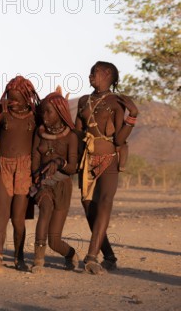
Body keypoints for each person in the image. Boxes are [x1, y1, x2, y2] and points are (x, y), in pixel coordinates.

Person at [75, 61, 138, 274]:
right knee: (88, 208)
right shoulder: (84, 100)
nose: (90, 74)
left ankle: (92, 256)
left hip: (109, 157)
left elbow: (119, 140)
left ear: (108, 74)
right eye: (90, 71)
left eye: (94, 72)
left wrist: (133, 115)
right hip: (87, 160)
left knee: (104, 202)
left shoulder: (116, 102)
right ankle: (109, 256)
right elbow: (77, 134)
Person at [0, 76, 40, 273]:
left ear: (27, 98)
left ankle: (19, 256)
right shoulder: (4, 114)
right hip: (4, 167)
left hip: (25, 169)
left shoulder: (35, 116)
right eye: (10, 98)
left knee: (18, 219)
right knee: (1, 214)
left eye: (16, 99)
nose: (12, 102)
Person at [30, 88, 79, 273]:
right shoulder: (39, 133)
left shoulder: (71, 137)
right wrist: (36, 175)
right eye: (43, 111)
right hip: (43, 185)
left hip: (63, 187)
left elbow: (73, 167)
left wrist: (59, 162)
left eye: (49, 111)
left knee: (54, 241)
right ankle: (38, 261)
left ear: (60, 112)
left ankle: (70, 253)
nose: (45, 115)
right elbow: (35, 156)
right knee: (45, 209)